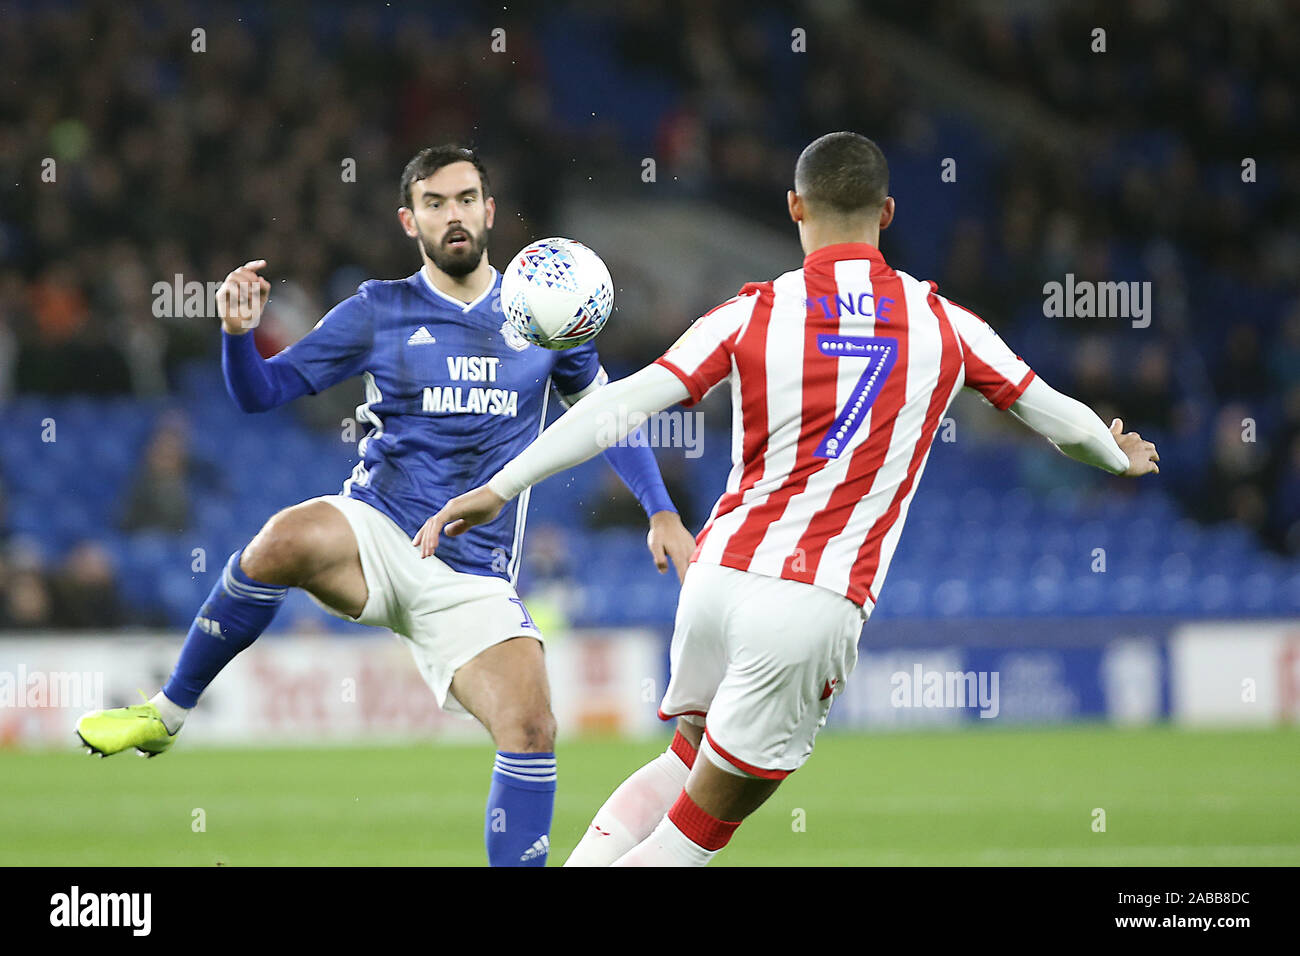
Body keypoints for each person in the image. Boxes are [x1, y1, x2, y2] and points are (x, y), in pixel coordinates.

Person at [417, 132, 1161, 866]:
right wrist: (1114, 453)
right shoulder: (946, 324)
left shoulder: (752, 312)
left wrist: (499, 486)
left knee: (683, 763)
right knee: (697, 830)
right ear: (889, 213)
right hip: (811, 601)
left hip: (719, 577)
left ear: (794, 207)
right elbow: (1055, 415)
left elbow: (621, 404)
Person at [75, 145, 697, 868]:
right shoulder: (379, 309)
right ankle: (167, 713)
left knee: (531, 726)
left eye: (466, 198)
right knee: (282, 538)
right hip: (377, 531)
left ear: (490, 211)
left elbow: (607, 415)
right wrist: (238, 339)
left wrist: (659, 509)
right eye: (435, 203)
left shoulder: (541, 314)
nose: (453, 215)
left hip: (471, 576)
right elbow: (259, 394)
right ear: (410, 220)